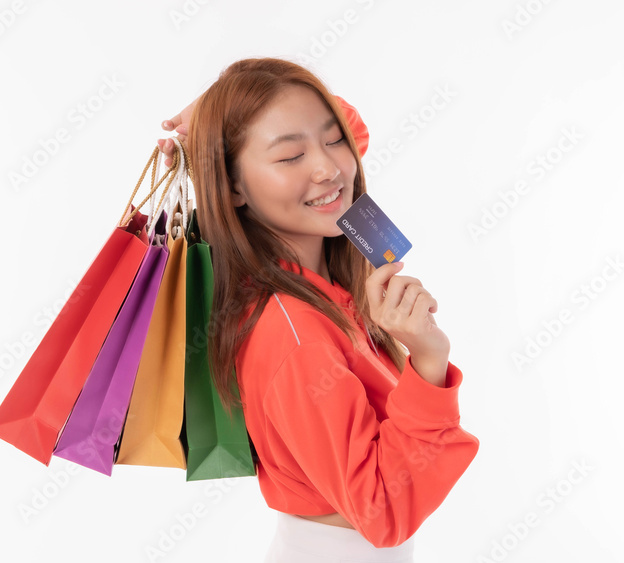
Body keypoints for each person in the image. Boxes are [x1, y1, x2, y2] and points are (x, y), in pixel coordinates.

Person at [158, 57, 480, 562]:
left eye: (331, 141)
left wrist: (222, 104)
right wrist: (427, 363)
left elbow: (344, 130)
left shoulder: (302, 285)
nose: (330, 168)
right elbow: (382, 512)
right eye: (289, 157)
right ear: (234, 187)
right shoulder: (295, 334)